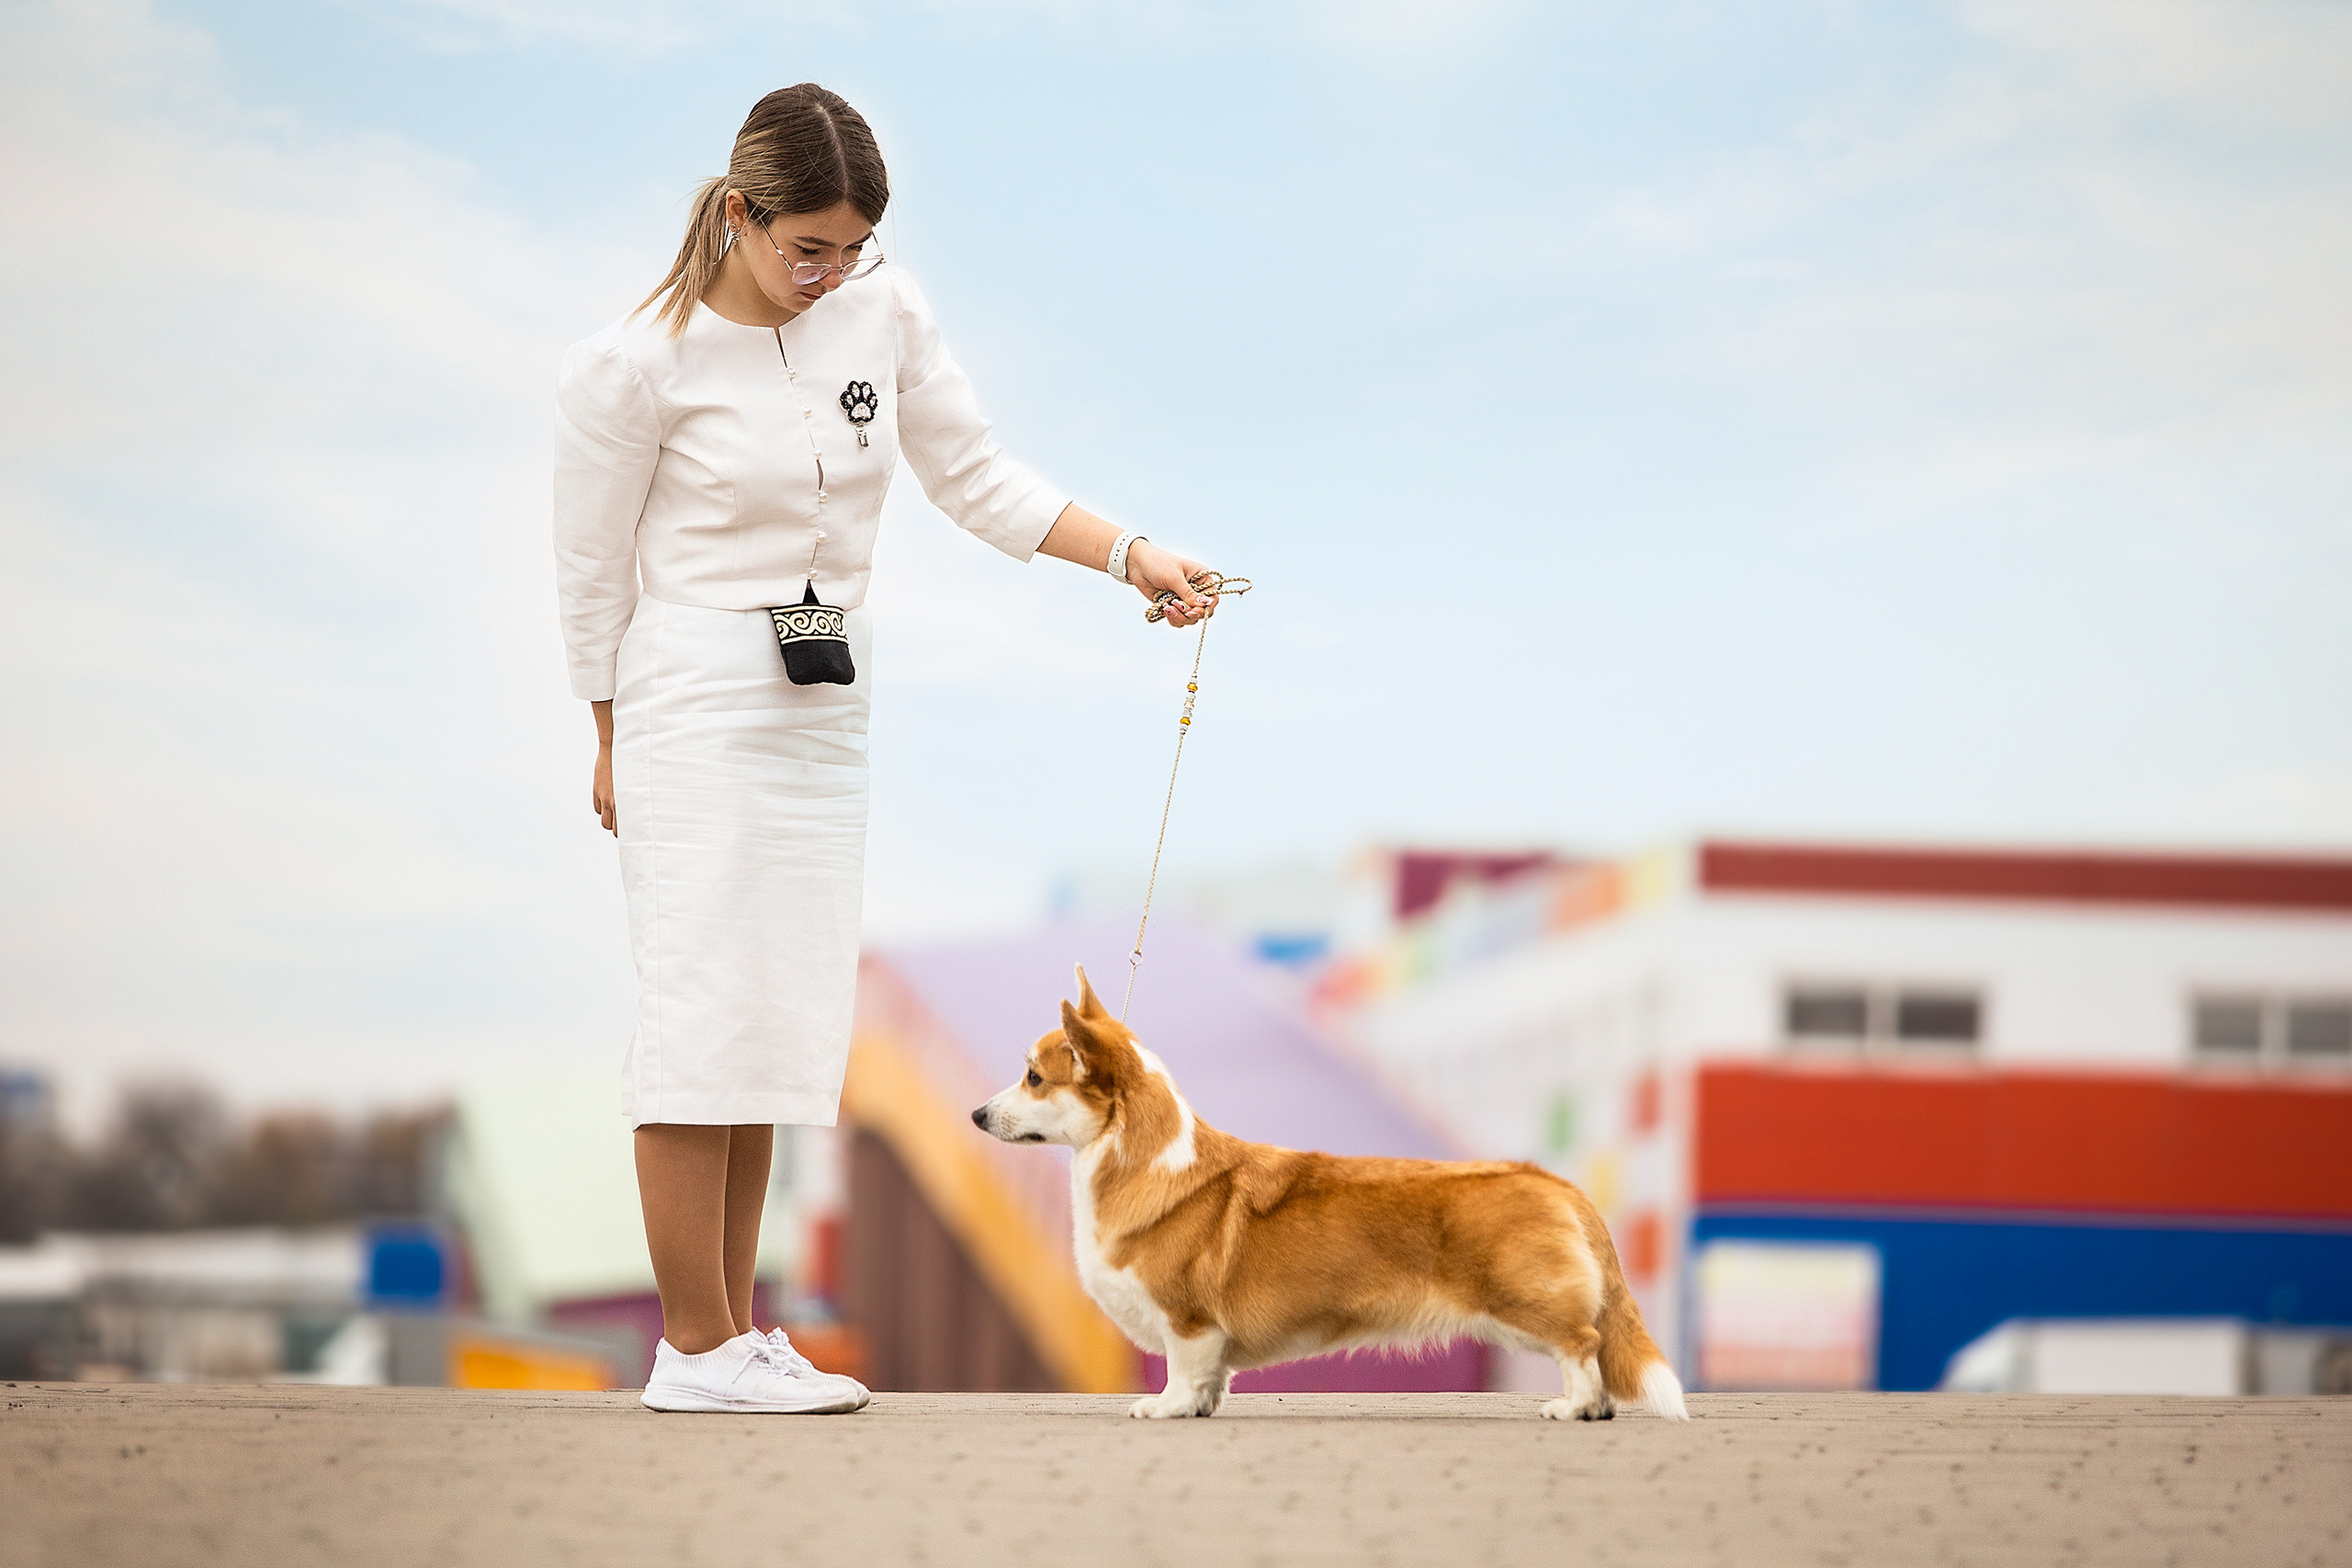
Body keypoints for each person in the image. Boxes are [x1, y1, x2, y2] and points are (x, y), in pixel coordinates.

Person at [551, 84, 1216, 1414]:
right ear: (740, 215)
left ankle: (732, 1335)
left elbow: (974, 474)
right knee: (699, 1012)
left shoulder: (880, 313)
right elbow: (588, 575)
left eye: (853, 249)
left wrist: (1130, 555)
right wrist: (610, 737)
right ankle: (691, 1349)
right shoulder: (633, 367)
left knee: (776, 1021)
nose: (830, 274)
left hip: (819, 700)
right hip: (688, 696)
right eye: (806, 247)